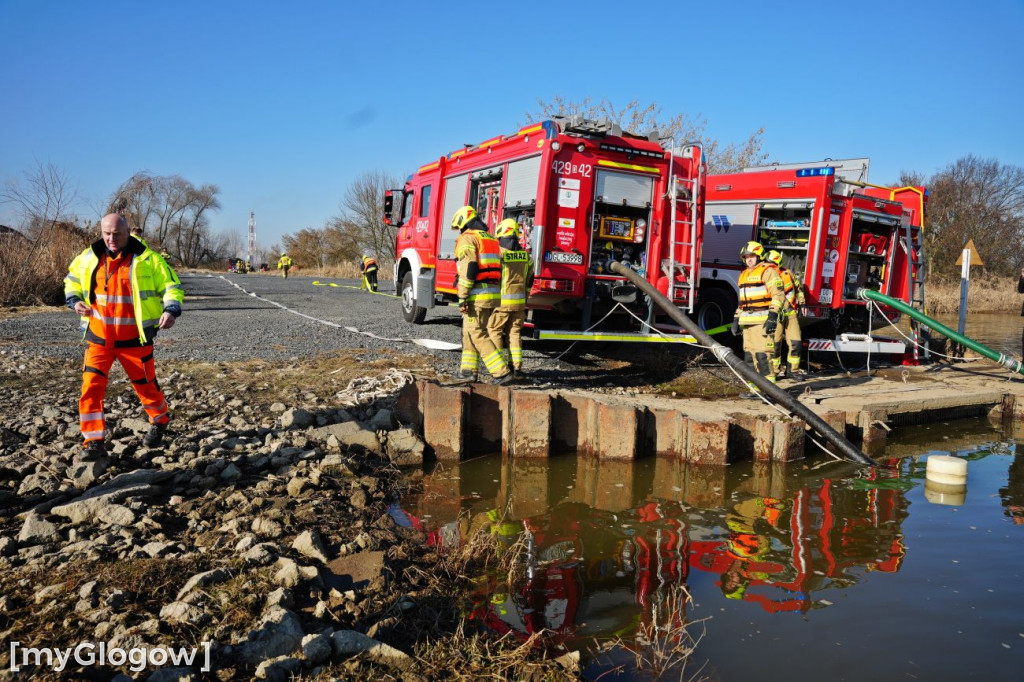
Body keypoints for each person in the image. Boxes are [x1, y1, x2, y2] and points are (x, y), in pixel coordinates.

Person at [64, 214, 183, 457]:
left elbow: (172, 287)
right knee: (91, 387)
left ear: (129, 232)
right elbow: (72, 281)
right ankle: (93, 440)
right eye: (106, 233)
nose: (111, 238)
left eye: (116, 234)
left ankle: (159, 421)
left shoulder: (149, 260)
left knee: (146, 387)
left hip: (135, 340)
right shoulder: (88, 257)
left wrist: (171, 309)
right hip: (99, 338)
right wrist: (74, 301)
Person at [452, 205, 512, 385]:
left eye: (460, 228)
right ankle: (469, 371)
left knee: (477, 333)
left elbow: (469, 268)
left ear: (465, 223)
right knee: (468, 332)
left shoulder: (468, 239)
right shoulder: (492, 239)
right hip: (492, 294)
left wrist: (462, 296)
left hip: (477, 295)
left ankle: (501, 373)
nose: (460, 232)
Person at [731, 241, 786, 391]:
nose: (749, 259)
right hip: (747, 322)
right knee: (749, 357)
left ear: (759, 255)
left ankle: (770, 391)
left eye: (752, 256)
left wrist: (773, 316)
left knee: (763, 357)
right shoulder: (743, 275)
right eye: (746, 257)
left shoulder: (768, 271)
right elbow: (743, 301)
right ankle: (754, 390)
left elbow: (778, 295)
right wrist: (736, 319)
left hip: (762, 321)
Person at [487, 219, 533, 376]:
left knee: (494, 331)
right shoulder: (526, 256)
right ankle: (517, 368)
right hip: (520, 304)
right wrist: (525, 297)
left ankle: (498, 368)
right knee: (515, 334)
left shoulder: (499, 254)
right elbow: (529, 280)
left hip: (501, 304)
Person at [766, 250, 807, 379]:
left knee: (796, 343)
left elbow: (798, 288)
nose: (769, 266)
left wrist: (802, 302)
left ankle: (793, 371)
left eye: (771, 263)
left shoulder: (787, 273)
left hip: (790, 313)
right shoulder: (767, 275)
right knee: (775, 345)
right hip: (776, 314)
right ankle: (775, 371)